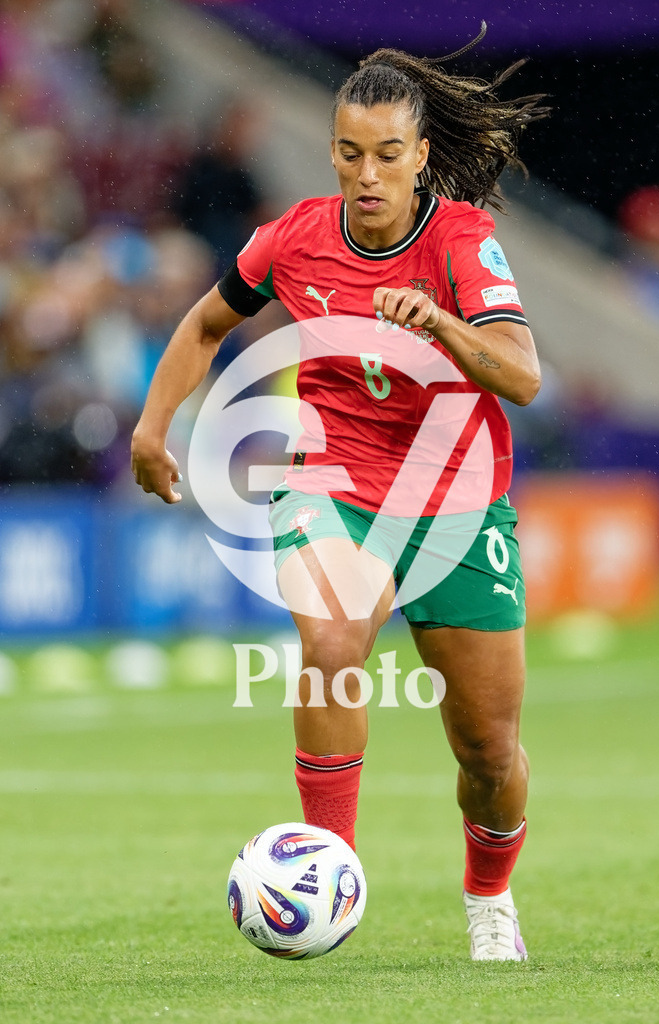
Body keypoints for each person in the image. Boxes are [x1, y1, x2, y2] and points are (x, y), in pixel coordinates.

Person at [131, 34, 548, 961]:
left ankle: (488, 899)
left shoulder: (461, 244)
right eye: (351, 153)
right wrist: (154, 425)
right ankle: (332, 870)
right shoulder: (290, 239)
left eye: (388, 155)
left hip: (455, 504)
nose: (368, 175)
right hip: (333, 482)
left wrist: (439, 320)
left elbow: (522, 376)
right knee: (330, 633)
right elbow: (206, 324)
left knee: (487, 757)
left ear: (420, 155)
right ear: (332, 151)